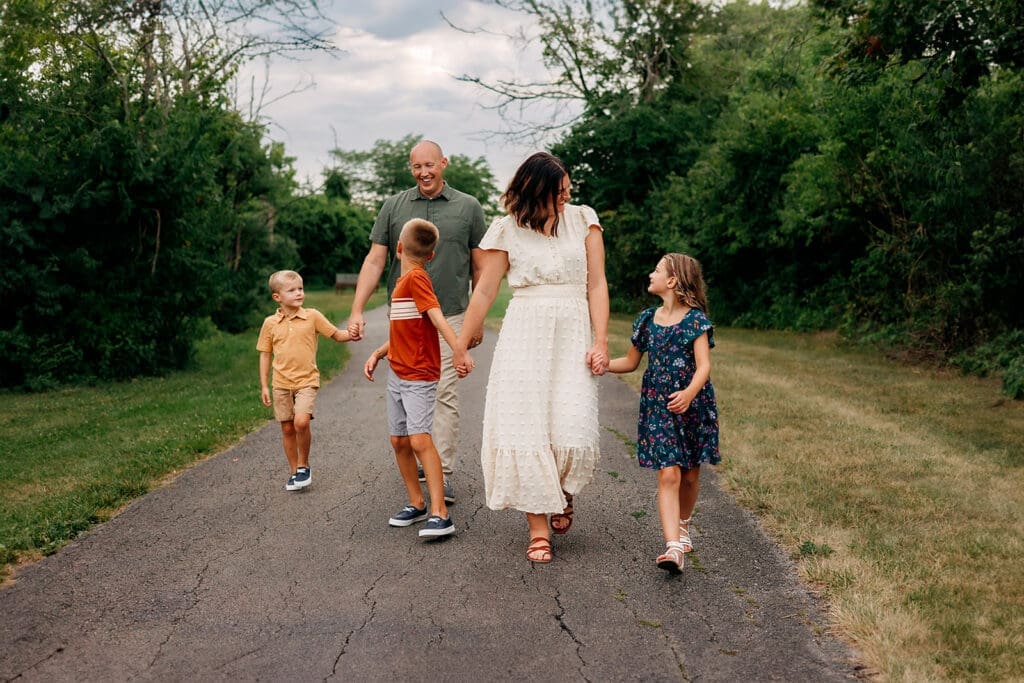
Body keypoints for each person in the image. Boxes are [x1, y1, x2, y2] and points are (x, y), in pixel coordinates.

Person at [453, 152, 609, 564]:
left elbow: (597, 285)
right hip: (525, 332)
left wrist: (602, 340)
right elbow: (485, 290)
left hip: (573, 330)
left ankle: (563, 490)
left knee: (573, 426)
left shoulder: (583, 220)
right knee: (525, 428)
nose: (566, 197)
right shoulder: (507, 229)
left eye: (568, 189)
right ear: (535, 191)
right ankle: (538, 526)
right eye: (559, 192)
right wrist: (461, 341)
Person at [347, 140, 488, 504]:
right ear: (411, 168)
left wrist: (477, 319)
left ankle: (445, 470)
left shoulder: (467, 207)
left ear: (443, 163)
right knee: (409, 390)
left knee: (444, 393)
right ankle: (423, 462)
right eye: (417, 167)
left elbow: (481, 267)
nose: (424, 172)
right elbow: (376, 260)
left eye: (430, 165)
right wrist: (357, 309)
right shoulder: (394, 206)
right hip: (406, 317)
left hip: (451, 313)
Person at [606, 253, 720, 573]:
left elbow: (704, 367)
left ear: (672, 281)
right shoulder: (646, 320)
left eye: (657, 270)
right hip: (658, 406)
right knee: (668, 473)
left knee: (690, 474)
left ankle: (684, 523)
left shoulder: (695, 320)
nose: (650, 273)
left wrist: (688, 394)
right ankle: (673, 547)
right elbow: (630, 362)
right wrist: (600, 365)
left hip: (692, 404)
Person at [363, 219, 466, 539]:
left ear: (397, 248)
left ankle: (441, 513)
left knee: (420, 439)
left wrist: (459, 350)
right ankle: (417, 503)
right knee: (399, 440)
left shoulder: (417, 279)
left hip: (419, 374)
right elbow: (404, 332)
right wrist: (379, 353)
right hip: (397, 371)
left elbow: (436, 316)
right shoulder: (403, 283)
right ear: (432, 254)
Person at [257, 270, 359, 491]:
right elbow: (265, 354)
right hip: (281, 384)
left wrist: (351, 333)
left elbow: (337, 335)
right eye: (292, 290)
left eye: (300, 289)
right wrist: (264, 385)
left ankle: (304, 465)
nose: (298, 293)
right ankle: (294, 472)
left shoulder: (312, 316)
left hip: (306, 381)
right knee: (286, 428)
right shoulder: (270, 323)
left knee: (301, 422)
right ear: (277, 297)